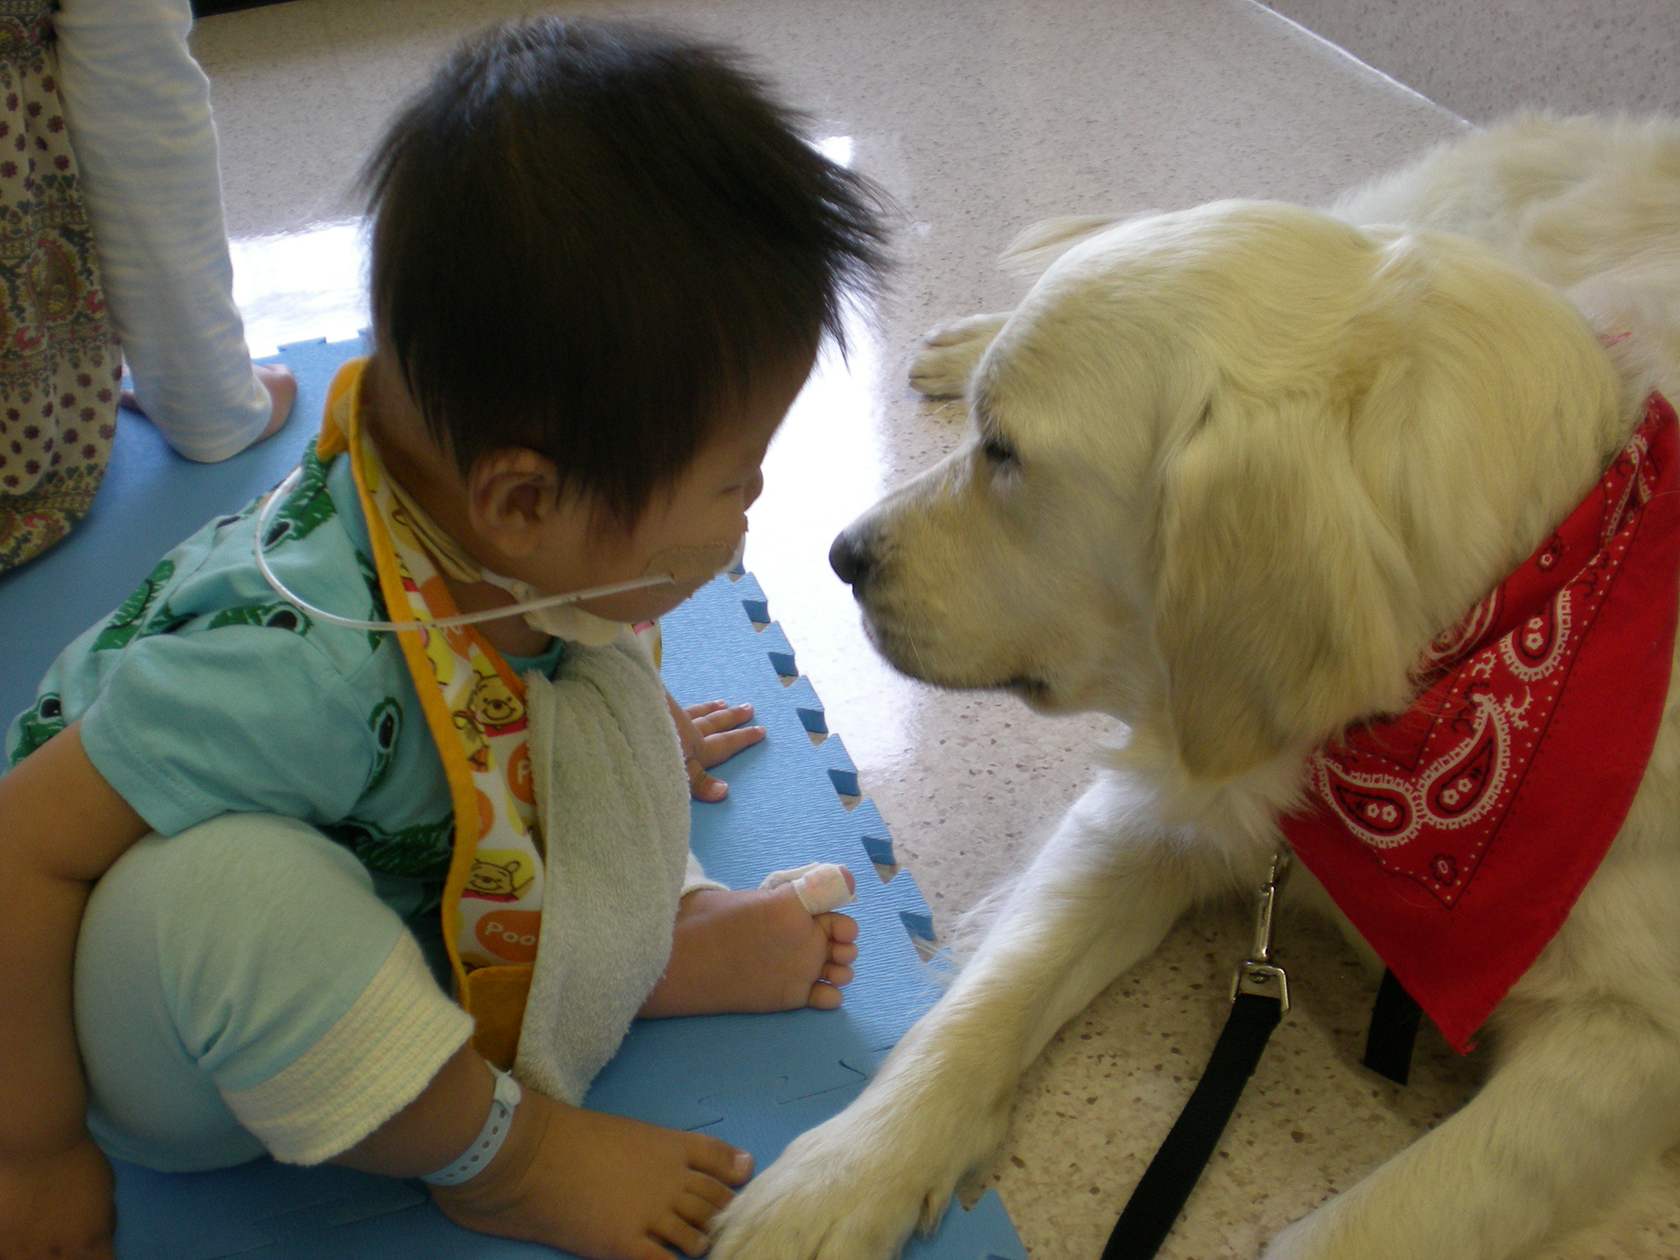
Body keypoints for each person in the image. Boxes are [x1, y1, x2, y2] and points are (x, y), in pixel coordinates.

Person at [0, 17, 889, 1260]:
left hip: (381, 853)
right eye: (734, 479)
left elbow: (534, 640)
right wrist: (31, 1149)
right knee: (237, 899)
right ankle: (502, 1158)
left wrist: (617, 747)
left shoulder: (487, 525)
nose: (753, 508)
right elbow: (20, 853)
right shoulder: (289, 667)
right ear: (521, 498)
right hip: (149, 1018)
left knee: (611, 606)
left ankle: (627, 960)